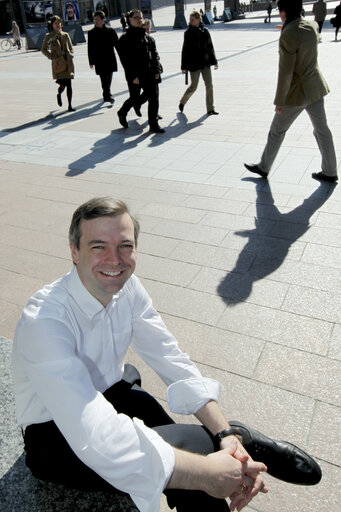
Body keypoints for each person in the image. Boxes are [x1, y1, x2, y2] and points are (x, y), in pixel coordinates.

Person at [12, 197, 322, 512]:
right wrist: (206, 472)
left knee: (191, 443)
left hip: (109, 391)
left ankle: (234, 436)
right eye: (98, 246)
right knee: (196, 454)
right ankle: (242, 442)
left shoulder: (128, 288)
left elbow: (170, 358)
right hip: (53, 434)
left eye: (125, 246)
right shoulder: (45, 320)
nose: (115, 259)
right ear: (74, 251)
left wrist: (223, 433)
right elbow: (95, 433)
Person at [244, 0, 338, 183]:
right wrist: (287, 30)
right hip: (316, 88)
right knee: (322, 130)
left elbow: (285, 71)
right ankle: (330, 170)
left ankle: (264, 167)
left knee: (277, 130)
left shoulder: (288, 35)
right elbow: (307, 39)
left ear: (284, 12)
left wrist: (279, 101)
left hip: (296, 93)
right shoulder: (311, 26)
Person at [117, 9, 164, 133]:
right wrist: (133, 76)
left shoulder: (148, 38)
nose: (139, 20)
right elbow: (125, 61)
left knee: (153, 97)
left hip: (150, 73)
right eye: (136, 17)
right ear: (129, 20)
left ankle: (153, 124)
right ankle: (122, 112)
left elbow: (155, 56)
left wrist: (157, 70)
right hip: (136, 75)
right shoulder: (124, 39)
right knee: (135, 99)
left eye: (141, 17)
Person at [179, 11, 218, 116]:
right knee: (194, 86)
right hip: (194, 64)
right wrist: (183, 67)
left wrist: (214, 61)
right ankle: (182, 102)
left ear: (199, 19)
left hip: (205, 63)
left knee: (209, 85)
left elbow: (210, 47)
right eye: (190, 20)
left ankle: (210, 108)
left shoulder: (205, 31)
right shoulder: (188, 33)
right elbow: (185, 50)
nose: (190, 22)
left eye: (193, 20)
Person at [41, 15, 75, 112]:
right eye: (55, 23)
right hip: (58, 64)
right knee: (63, 84)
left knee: (69, 84)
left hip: (67, 62)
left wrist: (71, 55)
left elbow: (71, 47)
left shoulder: (65, 35)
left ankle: (70, 105)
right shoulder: (49, 36)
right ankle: (59, 94)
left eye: (59, 23)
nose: (58, 25)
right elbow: (43, 49)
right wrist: (51, 56)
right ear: (52, 25)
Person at [88, 10, 118, 104]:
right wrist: (91, 62)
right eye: (94, 19)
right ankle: (108, 96)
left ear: (103, 20)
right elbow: (90, 48)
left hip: (110, 59)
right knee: (103, 79)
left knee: (108, 78)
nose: (96, 21)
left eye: (97, 19)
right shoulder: (91, 33)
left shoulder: (110, 31)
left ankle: (106, 95)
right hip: (99, 60)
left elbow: (117, 45)